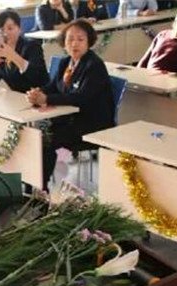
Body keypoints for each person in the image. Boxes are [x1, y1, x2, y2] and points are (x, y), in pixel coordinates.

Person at [26, 19, 115, 190]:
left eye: (80, 39)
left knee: (46, 140)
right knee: (34, 135)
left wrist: (46, 99)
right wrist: (38, 93)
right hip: (69, 119)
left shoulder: (94, 65)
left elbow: (80, 98)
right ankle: (32, 187)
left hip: (92, 123)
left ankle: (40, 191)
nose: (75, 44)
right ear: (64, 42)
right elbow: (53, 86)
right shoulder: (65, 62)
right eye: (70, 39)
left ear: (89, 42)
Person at [0, 9, 50, 93]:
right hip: (19, 97)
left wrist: (13, 56)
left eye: (10, 28)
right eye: (2, 30)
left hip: (40, 95)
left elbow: (37, 78)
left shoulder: (32, 46)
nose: (6, 33)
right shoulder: (1, 51)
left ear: (19, 29)